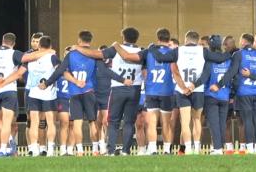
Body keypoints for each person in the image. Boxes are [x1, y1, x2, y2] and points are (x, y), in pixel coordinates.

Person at [149, 30, 230, 155]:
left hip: (182, 89)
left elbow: (160, 58)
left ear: (186, 40)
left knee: (185, 122)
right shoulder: (202, 51)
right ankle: (196, 148)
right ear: (197, 41)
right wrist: (231, 51)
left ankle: (188, 149)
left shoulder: (178, 51)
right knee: (197, 120)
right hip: (197, 89)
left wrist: (152, 48)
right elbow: (221, 58)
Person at [42, 31, 122, 156]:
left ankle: (79, 150)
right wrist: (122, 79)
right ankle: (96, 149)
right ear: (90, 41)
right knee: (92, 122)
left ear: (79, 40)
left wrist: (47, 83)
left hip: (74, 94)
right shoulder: (94, 55)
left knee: (77, 123)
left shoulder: (71, 55)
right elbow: (106, 71)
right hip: (89, 92)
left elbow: (60, 71)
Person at [106, 28, 176, 155]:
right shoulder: (170, 53)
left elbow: (126, 56)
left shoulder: (147, 52)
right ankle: (164, 150)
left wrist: (116, 44)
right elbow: (174, 72)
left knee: (116, 121)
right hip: (156, 91)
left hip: (132, 89)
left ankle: (151, 149)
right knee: (161, 123)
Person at [71, 28, 138, 156]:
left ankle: (108, 149)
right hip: (130, 89)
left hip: (114, 90)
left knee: (110, 121)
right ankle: (117, 149)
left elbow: (98, 55)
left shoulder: (115, 50)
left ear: (123, 38)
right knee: (123, 121)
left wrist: (78, 48)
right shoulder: (141, 51)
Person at [0, 36, 60, 156]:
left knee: (33, 122)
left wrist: (2, 83)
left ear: (39, 46)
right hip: (48, 93)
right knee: (50, 123)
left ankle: (34, 149)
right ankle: (50, 150)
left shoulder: (30, 58)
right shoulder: (52, 57)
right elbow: (59, 71)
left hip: (33, 93)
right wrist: (48, 83)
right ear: (50, 46)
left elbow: (18, 73)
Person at [194, 35, 231, 155]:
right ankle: (221, 147)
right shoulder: (228, 59)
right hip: (225, 95)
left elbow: (204, 77)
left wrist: (193, 85)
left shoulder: (209, 61)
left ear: (209, 45)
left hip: (211, 95)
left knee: (214, 123)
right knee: (222, 123)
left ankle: (217, 148)